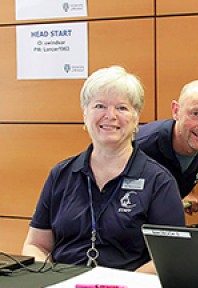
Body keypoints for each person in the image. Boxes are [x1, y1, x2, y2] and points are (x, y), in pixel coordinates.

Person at [22, 66, 185, 272]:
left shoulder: (159, 182)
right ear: (85, 114)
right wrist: (49, 279)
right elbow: (36, 244)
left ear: (136, 118)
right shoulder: (60, 175)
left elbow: (171, 256)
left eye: (122, 108)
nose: (111, 116)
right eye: (100, 106)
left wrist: (119, 287)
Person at [136, 80, 198, 215]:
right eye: (196, 114)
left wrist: (187, 191)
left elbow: (185, 171)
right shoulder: (139, 146)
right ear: (176, 111)